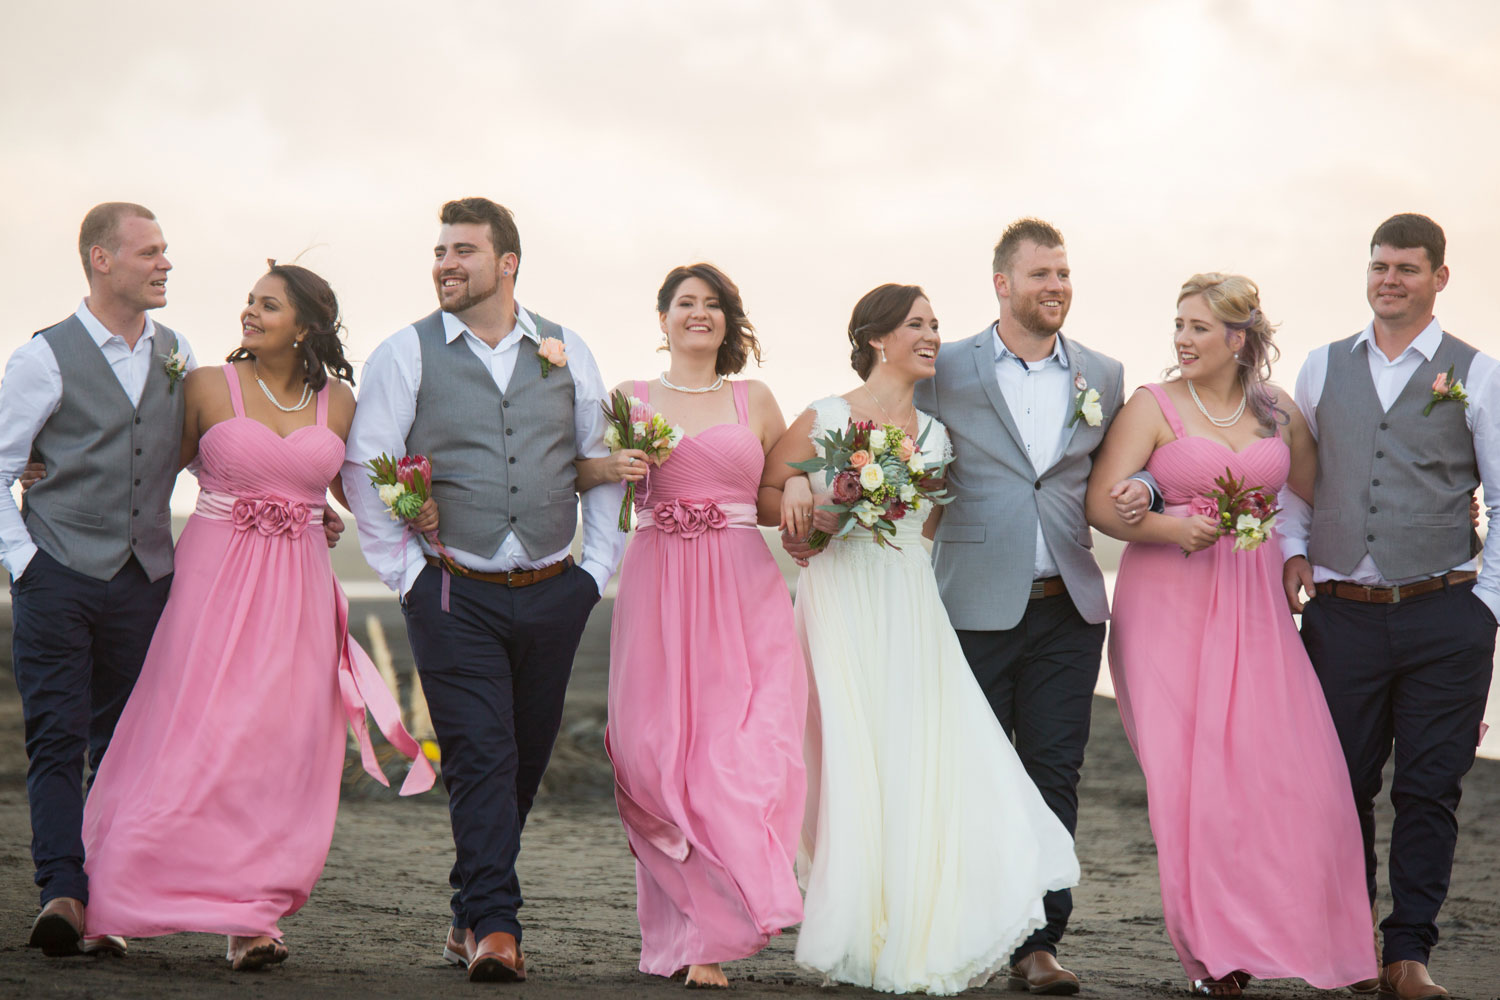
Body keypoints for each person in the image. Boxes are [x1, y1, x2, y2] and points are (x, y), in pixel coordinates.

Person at [78, 262, 434, 970]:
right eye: (248, 301)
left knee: (273, 748)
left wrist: (409, 508)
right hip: (211, 583)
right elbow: (149, 469)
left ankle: (252, 915)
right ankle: (112, 897)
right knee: (184, 734)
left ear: (304, 327)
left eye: (267, 306)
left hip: (298, 590)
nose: (249, 313)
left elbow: (357, 491)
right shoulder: (208, 384)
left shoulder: (339, 403)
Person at [341, 197, 627, 983]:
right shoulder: (405, 353)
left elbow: (602, 464)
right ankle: (499, 928)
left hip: (551, 589)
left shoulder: (567, 350)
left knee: (524, 761)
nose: (445, 264)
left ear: (508, 264)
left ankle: (469, 908)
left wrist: (594, 573)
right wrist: (406, 575)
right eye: (439, 252)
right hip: (451, 590)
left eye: (463, 250)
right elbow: (367, 469)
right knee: (480, 755)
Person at [764, 283, 1079, 995]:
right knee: (853, 754)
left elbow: (928, 526)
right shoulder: (828, 414)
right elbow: (768, 490)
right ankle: (855, 921)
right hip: (840, 601)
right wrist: (798, 496)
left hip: (909, 601)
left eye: (936, 324)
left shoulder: (937, 436)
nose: (933, 335)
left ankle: (915, 921)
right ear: (878, 338)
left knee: (920, 755)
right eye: (917, 324)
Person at [1085, 273, 1375, 994]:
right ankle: (1215, 957)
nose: (1181, 339)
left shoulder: (1278, 413)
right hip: (1167, 607)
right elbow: (1099, 504)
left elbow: (1319, 495)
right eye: (1178, 325)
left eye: (1197, 327)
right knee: (1194, 787)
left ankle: (1316, 939)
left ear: (1238, 339)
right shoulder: (1152, 406)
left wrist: (1310, 552)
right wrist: (1170, 523)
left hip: (1256, 605)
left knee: (1294, 774)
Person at [908, 218, 1152, 993]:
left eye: (1064, 274)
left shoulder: (1104, 375)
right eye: (1040, 274)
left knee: (1053, 772)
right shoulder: (943, 367)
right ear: (1002, 284)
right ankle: (966, 925)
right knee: (968, 773)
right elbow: (878, 425)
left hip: (1070, 606)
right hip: (971, 601)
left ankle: (1039, 944)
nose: (1056, 287)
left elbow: (1130, 465)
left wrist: (1148, 490)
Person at [1279, 214, 1498, 1000]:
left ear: (1440, 277)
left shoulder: (1478, 372)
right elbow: (1294, 476)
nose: (1390, 279)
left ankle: (1408, 955)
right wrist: (1292, 550)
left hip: (1447, 611)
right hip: (1341, 612)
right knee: (1338, 787)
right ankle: (1343, 946)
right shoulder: (1319, 365)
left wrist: (1487, 605)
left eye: (1407, 267)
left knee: (1430, 788)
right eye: (1379, 266)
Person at [575, 263, 806, 989]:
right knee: (662, 755)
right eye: (685, 303)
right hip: (660, 587)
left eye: (712, 304)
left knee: (741, 753)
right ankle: (687, 935)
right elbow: (579, 474)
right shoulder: (629, 398)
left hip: (743, 588)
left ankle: (727, 919)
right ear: (664, 319)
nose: (698, 313)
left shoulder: (756, 400)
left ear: (728, 321)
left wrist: (797, 479)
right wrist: (605, 465)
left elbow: (774, 495)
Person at [1, 203, 196, 955]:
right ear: (100, 260)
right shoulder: (42, 358)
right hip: (58, 574)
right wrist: (26, 563)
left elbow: (190, 448)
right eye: (150, 252)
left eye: (166, 251)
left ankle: (108, 906)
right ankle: (63, 896)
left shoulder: (178, 350)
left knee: (124, 746)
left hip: (144, 577)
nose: (165, 263)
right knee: (55, 738)